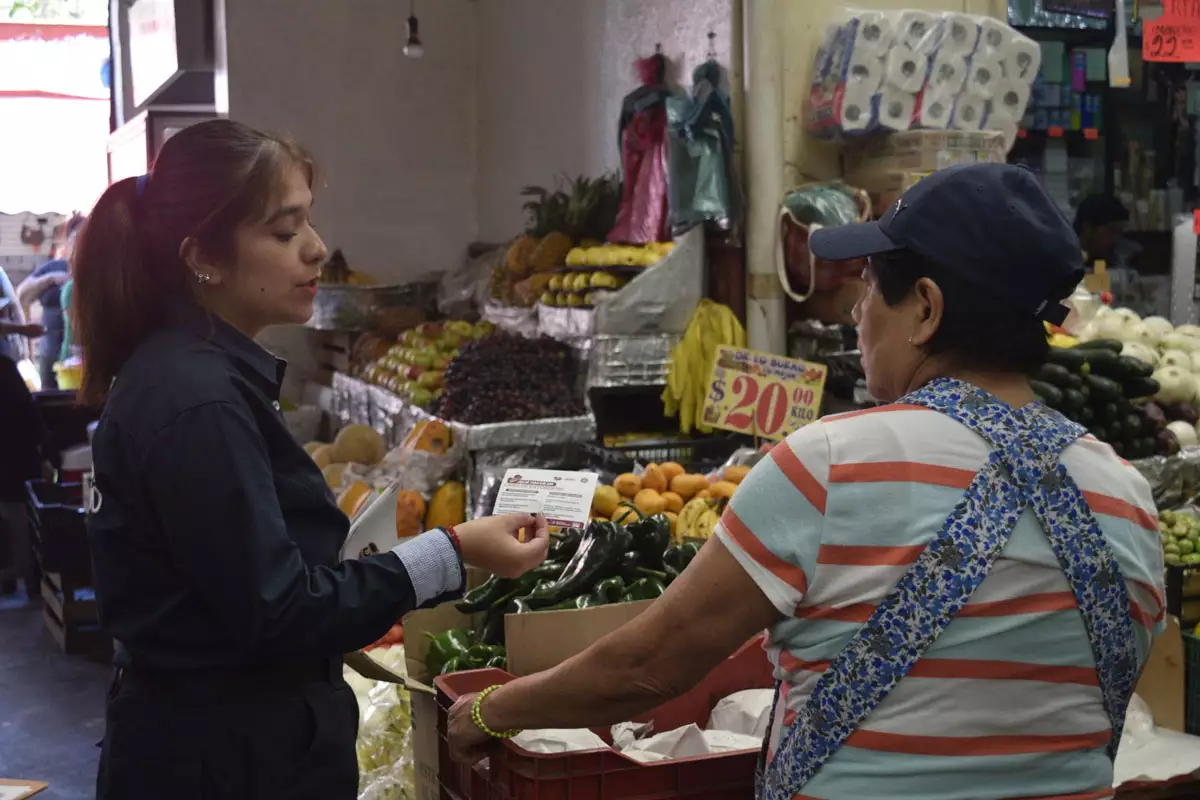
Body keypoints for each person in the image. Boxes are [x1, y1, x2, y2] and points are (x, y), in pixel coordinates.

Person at [447, 164, 1166, 800]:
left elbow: (650, 666)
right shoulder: (1128, 496)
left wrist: (491, 710)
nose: (857, 313)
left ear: (925, 307)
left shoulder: (828, 467)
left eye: (868, 290)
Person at [74, 119, 550, 800]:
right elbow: (280, 610)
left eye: (310, 223)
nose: (317, 250)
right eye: (283, 231)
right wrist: (451, 551)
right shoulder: (196, 402)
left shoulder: (194, 378)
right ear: (203, 257)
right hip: (225, 762)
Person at [16, 216, 83, 389]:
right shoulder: (54, 268)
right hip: (49, 357)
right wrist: (50, 279)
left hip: (81, 360)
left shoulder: (99, 271)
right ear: (68, 241)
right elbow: (22, 295)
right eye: (75, 236)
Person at [1075, 193, 1139, 270]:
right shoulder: (1065, 259)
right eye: (1111, 230)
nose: (1117, 238)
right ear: (1087, 227)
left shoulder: (1116, 254)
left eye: (1120, 231)